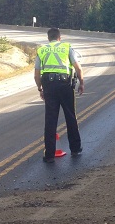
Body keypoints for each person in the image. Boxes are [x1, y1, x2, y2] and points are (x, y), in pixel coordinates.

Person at [34, 27, 85, 162]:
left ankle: (49, 155)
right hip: (65, 85)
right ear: (59, 38)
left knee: (50, 120)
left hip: (49, 86)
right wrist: (82, 83)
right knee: (70, 116)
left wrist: (40, 89)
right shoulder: (66, 47)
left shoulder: (42, 50)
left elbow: (36, 74)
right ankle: (75, 149)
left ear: (48, 38)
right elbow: (77, 67)